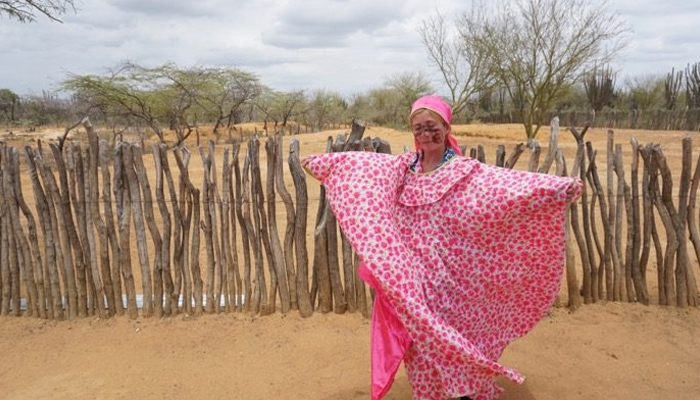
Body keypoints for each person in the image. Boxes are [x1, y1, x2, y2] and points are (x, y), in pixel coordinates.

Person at [302, 95, 581, 400]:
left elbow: (507, 188)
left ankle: (463, 392)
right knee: (420, 347)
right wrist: (322, 164)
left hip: (454, 281)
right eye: (419, 127)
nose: (425, 134)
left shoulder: (466, 171)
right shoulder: (402, 169)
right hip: (415, 282)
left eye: (432, 126)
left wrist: (556, 188)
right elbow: (360, 168)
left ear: (447, 127)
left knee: (458, 339)